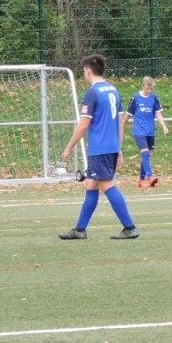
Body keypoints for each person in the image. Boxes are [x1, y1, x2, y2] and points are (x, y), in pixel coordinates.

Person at [58, 54, 139, 240]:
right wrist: (119, 149)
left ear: (88, 72)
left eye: (84, 72)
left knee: (106, 185)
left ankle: (130, 227)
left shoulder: (92, 93)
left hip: (99, 148)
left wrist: (69, 147)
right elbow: (120, 122)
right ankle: (80, 230)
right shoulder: (113, 90)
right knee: (90, 184)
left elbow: (83, 125)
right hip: (110, 146)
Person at [124, 76, 169, 188]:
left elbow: (158, 113)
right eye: (147, 87)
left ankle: (141, 179)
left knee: (146, 154)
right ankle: (149, 175)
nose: (149, 89)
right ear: (142, 85)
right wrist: (121, 127)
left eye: (151, 87)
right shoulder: (135, 97)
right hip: (139, 131)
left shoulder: (154, 97)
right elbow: (128, 114)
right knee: (145, 152)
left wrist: (164, 126)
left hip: (150, 131)